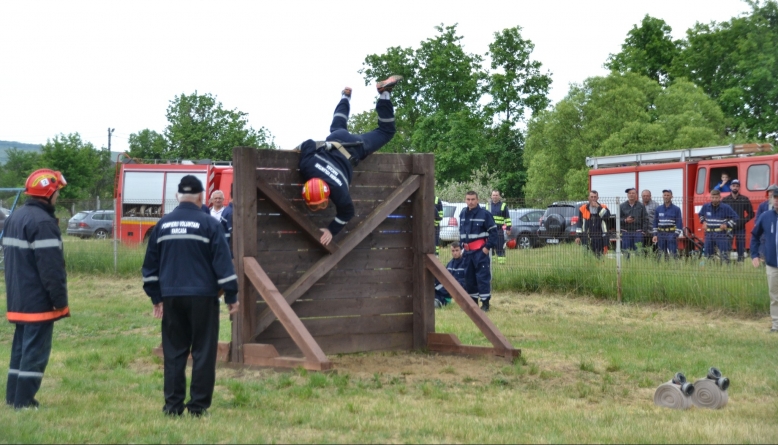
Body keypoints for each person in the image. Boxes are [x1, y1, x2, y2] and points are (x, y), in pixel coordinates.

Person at [142, 175, 240, 417]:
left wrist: (156, 298)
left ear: (177, 196)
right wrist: (231, 296)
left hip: (171, 297)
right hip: (203, 298)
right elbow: (223, 263)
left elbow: (149, 268)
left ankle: (173, 407)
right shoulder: (210, 224)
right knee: (203, 352)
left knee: (174, 352)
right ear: (200, 197)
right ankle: (197, 407)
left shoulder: (162, 225)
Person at [297, 76, 402, 246]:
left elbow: (347, 213)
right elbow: (308, 143)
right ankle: (345, 96)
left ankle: (384, 94)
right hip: (335, 139)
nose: (319, 208)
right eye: (316, 207)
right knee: (337, 126)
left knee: (387, 131)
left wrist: (331, 229)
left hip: (354, 148)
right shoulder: (306, 166)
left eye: (320, 204)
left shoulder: (339, 191)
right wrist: (303, 148)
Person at [4, 169, 69, 409]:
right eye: (57, 193)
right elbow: (51, 269)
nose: (58, 198)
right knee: (35, 354)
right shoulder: (43, 223)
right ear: (48, 193)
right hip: (38, 301)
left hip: (18, 297)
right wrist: (60, 301)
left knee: (20, 351)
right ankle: (24, 402)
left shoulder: (16, 217)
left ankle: (13, 398)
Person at [459, 191, 498, 312]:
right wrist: (461, 247)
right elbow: (461, 232)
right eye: (468, 199)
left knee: (482, 278)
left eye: (473, 199)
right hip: (467, 252)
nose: (470, 202)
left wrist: (486, 248)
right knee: (469, 279)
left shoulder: (485, 214)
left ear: (477, 200)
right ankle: (472, 304)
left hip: (480, 252)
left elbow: (494, 233)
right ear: (465, 200)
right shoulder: (463, 214)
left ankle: (485, 304)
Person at [750, 190, 778, 332]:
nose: (777, 201)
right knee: (774, 296)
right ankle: (776, 325)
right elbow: (755, 236)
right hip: (772, 264)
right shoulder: (765, 216)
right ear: (772, 199)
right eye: (775, 198)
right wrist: (754, 255)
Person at [699, 189, 738, 264]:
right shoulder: (706, 206)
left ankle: (726, 269)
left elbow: (735, 217)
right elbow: (700, 215)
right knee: (708, 254)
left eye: (716, 197)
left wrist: (727, 224)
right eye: (713, 197)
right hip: (709, 234)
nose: (714, 199)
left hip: (721, 234)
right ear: (710, 197)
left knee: (724, 254)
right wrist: (703, 222)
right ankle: (709, 269)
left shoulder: (726, 207)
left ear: (720, 197)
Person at [722, 179, 754, 262]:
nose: (735, 187)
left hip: (741, 228)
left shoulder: (744, 199)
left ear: (739, 187)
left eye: (737, 186)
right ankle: (726, 263)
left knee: (741, 247)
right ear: (730, 187)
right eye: (733, 186)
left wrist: (743, 221)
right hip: (729, 227)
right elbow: (721, 214)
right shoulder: (725, 200)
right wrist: (726, 222)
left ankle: (740, 263)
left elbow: (751, 214)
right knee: (727, 246)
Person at [575, 190, 611, 258]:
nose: (593, 199)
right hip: (586, 237)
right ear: (588, 198)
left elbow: (607, 216)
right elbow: (579, 223)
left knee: (600, 257)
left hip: (600, 237)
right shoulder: (583, 209)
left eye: (595, 197)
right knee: (587, 257)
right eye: (591, 197)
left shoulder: (603, 207)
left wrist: (598, 207)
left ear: (598, 198)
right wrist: (577, 236)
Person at [652, 189, 683, 260]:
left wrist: (675, 235)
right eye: (665, 195)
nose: (666, 197)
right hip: (661, 234)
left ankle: (674, 266)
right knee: (661, 253)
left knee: (673, 253)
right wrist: (655, 235)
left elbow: (679, 223)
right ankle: (662, 267)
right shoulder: (658, 209)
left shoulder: (676, 209)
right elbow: (655, 222)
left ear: (672, 196)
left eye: (668, 195)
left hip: (671, 234)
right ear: (662, 196)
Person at [434, 243, 466, 308]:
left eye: (457, 250)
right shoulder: (450, 264)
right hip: (447, 287)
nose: (455, 253)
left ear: (461, 250)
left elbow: (464, 281)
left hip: (457, 287)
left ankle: (441, 301)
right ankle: (438, 300)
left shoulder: (465, 263)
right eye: (453, 251)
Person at [619, 187, 648, 258]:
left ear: (636, 195)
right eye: (629, 193)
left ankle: (639, 266)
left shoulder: (641, 206)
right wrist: (625, 220)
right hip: (626, 232)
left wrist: (643, 231)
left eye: (633, 193)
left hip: (638, 232)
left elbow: (645, 219)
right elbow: (617, 219)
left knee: (639, 252)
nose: (631, 195)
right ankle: (626, 265)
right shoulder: (622, 206)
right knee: (626, 252)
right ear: (627, 195)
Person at [488, 190, 512, 265]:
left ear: (499, 196)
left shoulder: (503, 205)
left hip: (499, 230)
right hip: (489, 231)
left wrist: (508, 228)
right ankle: (492, 263)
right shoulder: (487, 205)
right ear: (491, 196)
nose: (495, 197)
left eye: (496, 195)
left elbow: (507, 218)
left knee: (500, 247)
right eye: (493, 195)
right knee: (490, 247)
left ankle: (502, 264)